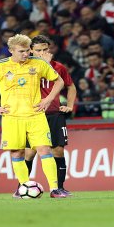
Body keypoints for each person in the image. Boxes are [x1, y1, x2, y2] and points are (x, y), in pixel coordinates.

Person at [0, 34, 67, 198]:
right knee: (17, 153)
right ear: (11, 51)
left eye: (27, 51)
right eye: (21, 51)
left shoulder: (38, 64)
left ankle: (55, 189)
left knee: (45, 149)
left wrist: (48, 98)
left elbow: (59, 81)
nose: (26, 54)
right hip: (12, 117)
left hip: (35, 116)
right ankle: (23, 187)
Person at [21, 36, 77, 197]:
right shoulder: (26, 67)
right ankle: (22, 187)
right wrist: (43, 64)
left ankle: (58, 188)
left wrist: (70, 105)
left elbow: (71, 86)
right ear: (31, 50)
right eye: (38, 50)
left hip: (54, 114)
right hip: (32, 115)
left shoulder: (58, 67)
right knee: (29, 153)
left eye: (45, 49)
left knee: (58, 151)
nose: (42, 53)